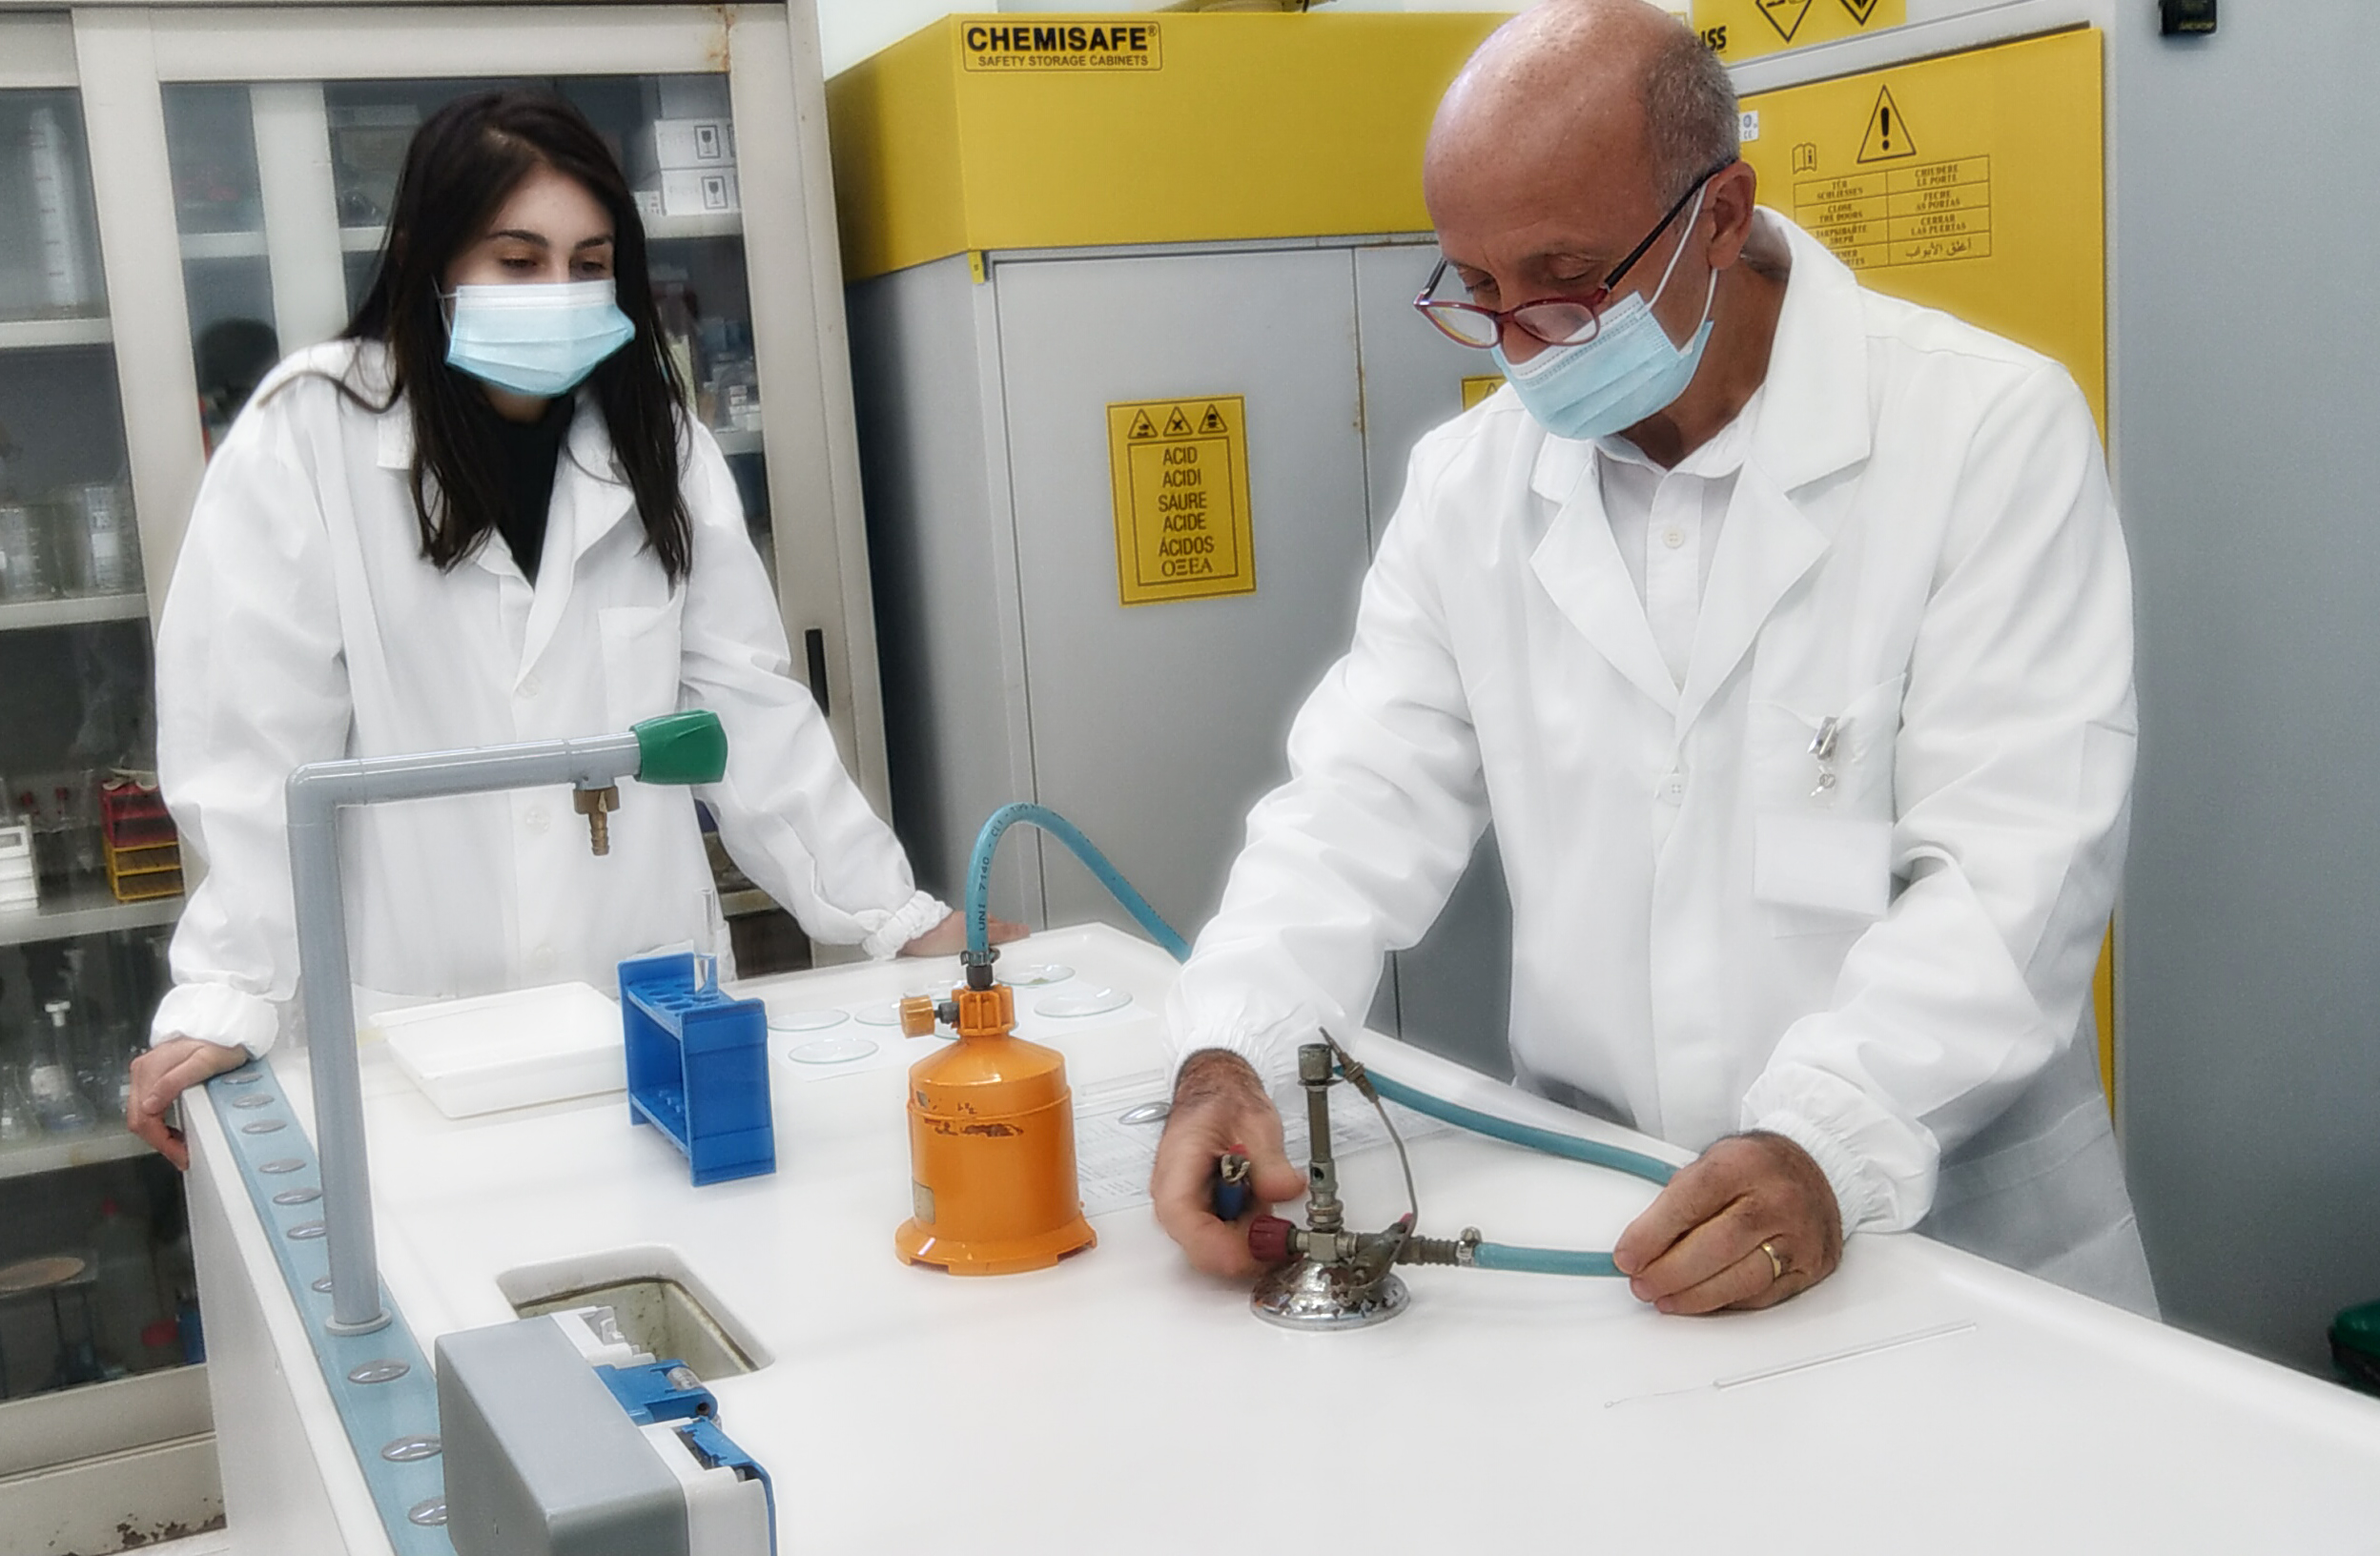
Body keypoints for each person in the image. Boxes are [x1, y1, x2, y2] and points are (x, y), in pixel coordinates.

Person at [1149, 0, 2154, 1318]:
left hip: (1943, 1230)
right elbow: (1353, 805)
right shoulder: (1470, 488)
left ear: (1721, 215)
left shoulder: (1982, 432)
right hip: (1615, 1214)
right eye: (1477, 289)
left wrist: (1824, 1140)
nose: (1519, 340)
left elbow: (2016, 871)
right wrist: (1232, 1052)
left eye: (1564, 279)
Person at [130, 91, 1010, 1169]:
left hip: (644, 1006)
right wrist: (229, 994)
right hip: (411, 1018)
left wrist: (896, 918)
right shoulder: (311, 432)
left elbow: (746, 708)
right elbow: (253, 753)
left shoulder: (657, 440)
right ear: (426, 261)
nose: (558, 292)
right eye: (518, 260)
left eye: (589, 264)